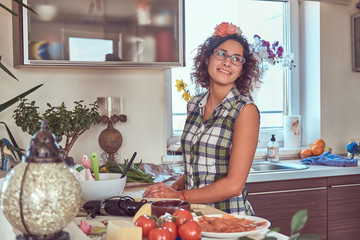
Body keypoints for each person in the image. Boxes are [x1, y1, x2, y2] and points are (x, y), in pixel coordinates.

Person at [143, 22, 261, 215]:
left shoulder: (245, 110)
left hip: (228, 219)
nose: (227, 62)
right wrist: (170, 190)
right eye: (221, 54)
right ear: (207, 58)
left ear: (242, 70)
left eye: (236, 59)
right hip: (193, 217)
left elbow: (234, 186)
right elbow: (195, 169)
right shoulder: (194, 104)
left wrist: (178, 196)